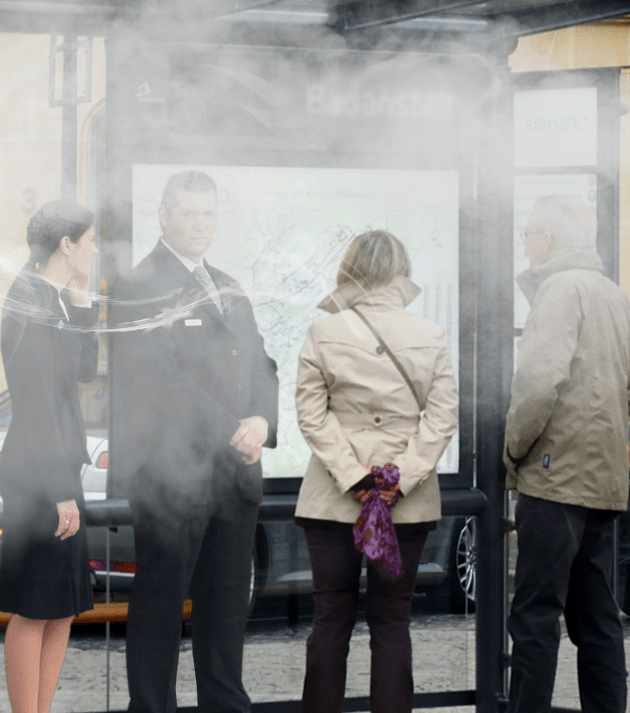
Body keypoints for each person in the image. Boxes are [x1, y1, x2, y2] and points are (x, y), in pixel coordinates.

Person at [114, 170, 279, 713]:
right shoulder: (139, 286)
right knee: (160, 608)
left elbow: (262, 362)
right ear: (163, 216)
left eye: (208, 214)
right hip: (170, 479)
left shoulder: (227, 283)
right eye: (189, 213)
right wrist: (236, 430)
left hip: (234, 476)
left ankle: (225, 707)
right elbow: (160, 379)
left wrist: (261, 419)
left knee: (227, 609)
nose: (200, 225)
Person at [292, 229, 458, 713]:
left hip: (332, 499)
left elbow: (311, 415)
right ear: (401, 273)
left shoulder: (324, 331)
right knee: (391, 623)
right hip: (404, 505)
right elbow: (443, 417)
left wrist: (356, 479)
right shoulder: (429, 335)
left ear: (350, 268)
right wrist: (396, 480)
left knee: (330, 621)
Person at [504, 195, 630, 713]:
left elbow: (538, 384)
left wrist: (515, 448)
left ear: (546, 240)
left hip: (554, 476)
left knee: (536, 615)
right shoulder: (614, 294)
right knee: (598, 618)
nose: (525, 246)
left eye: (527, 236)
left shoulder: (558, 290)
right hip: (602, 479)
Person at [0, 200, 99, 713]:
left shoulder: (55, 297)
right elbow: (36, 400)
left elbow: (85, 372)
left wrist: (83, 302)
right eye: (91, 240)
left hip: (59, 469)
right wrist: (59, 489)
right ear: (67, 244)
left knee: (62, 609)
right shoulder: (29, 297)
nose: (96, 249)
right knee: (34, 608)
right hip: (38, 475)